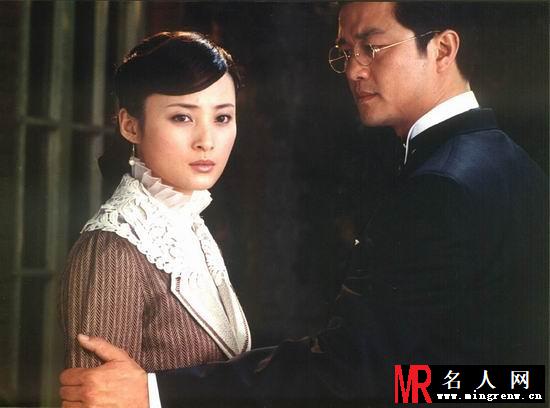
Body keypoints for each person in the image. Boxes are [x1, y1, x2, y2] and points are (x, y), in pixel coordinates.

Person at [59, 3, 548, 407]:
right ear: (129, 124)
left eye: (373, 47)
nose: (354, 69)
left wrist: (157, 392)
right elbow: (512, 382)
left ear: (442, 48)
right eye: (346, 52)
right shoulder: (509, 161)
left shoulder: (442, 183)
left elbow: (358, 372)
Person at [59, 31, 251, 376]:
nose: (206, 141)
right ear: (130, 126)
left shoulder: (188, 223)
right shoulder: (111, 251)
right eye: (182, 117)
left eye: (222, 118)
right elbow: (96, 397)